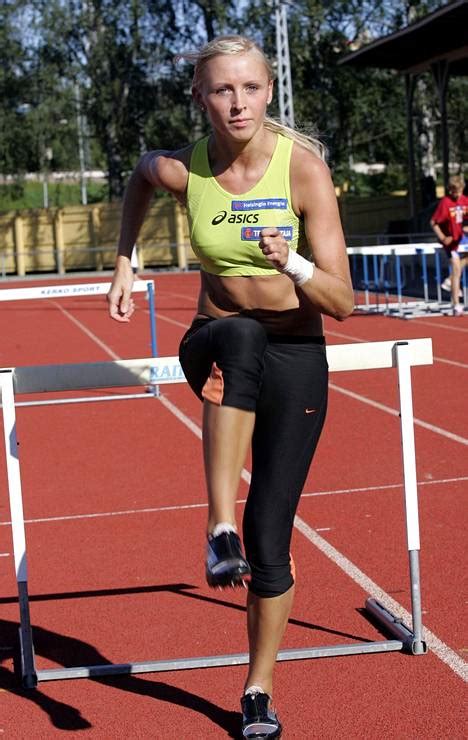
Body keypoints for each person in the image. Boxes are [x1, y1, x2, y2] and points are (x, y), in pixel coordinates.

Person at [107, 35, 354, 739]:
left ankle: (257, 690)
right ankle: (218, 526)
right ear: (200, 98)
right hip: (215, 339)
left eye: (249, 87)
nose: (237, 102)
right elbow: (140, 175)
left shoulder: (303, 172)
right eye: (222, 90)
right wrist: (126, 260)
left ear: (270, 91)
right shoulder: (189, 169)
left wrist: (296, 264)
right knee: (239, 337)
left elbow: (344, 303)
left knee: (271, 540)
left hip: (298, 348)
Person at [430, 175, 468, 315]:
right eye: (452, 191)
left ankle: (449, 281)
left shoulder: (465, 201)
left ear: (462, 189)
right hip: (450, 241)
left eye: (457, 191)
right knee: (457, 269)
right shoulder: (445, 203)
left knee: (460, 267)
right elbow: (433, 223)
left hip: (461, 239)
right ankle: (456, 304)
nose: (455, 194)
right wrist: (442, 237)